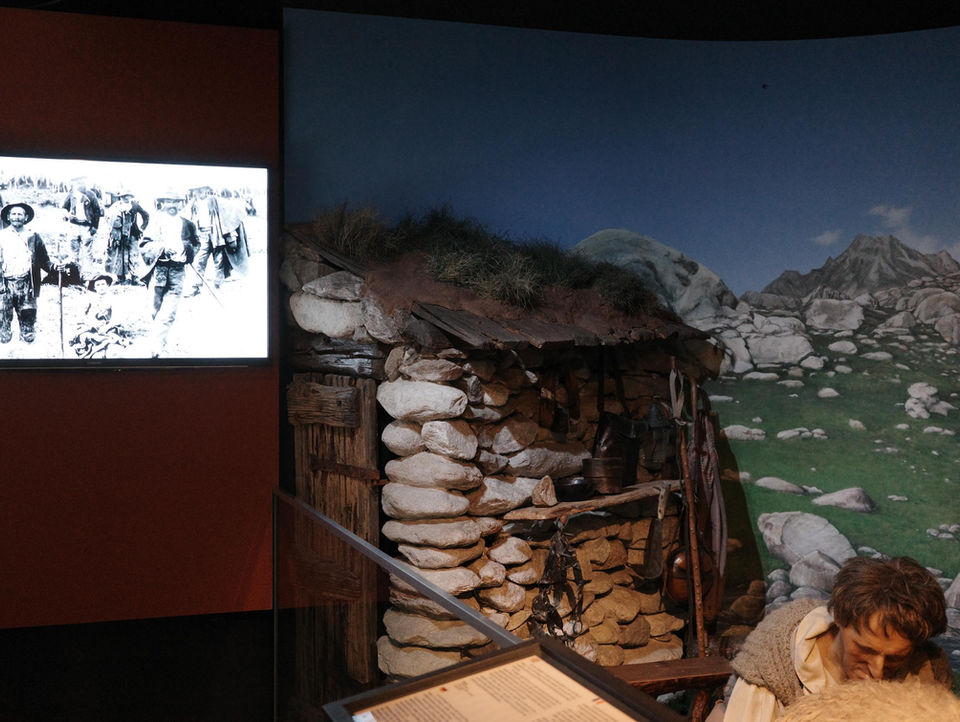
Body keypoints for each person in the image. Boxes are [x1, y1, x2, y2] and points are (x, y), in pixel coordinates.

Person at [710, 556, 952, 722]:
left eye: (895, 658)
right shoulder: (776, 661)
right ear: (839, 619)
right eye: (865, 650)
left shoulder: (927, 673)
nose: (877, 672)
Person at [138, 191, 199, 357]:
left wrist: (187, 251)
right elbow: (144, 245)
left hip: (178, 271)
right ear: (162, 203)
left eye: (177, 202)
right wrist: (163, 249)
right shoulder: (155, 223)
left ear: (181, 204)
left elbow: (196, 243)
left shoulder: (187, 224)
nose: (173, 205)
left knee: (169, 311)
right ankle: (159, 337)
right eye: (169, 201)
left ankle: (157, 345)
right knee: (155, 309)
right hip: (159, 270)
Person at [0, 202, 60, 344]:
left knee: (28, 322)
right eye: (14, 214)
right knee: (3, 324)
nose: (16, 217)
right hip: (4, 285)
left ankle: (26, 348)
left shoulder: (33, 236)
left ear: (26, 217)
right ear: (8, 217)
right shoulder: (1, 236)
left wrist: (55, 267)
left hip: (27, 284)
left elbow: (44, 261)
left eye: (20, 214)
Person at [70, 271, 131, 358]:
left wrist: (107, 327)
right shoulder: (90, 299)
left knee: (113, 350)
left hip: (107, 329)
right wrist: (90, 324)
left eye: (103, 284)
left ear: (107, 285)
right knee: (86, 341)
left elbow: (117, 318)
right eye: (98, 285)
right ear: (94, 288)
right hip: (90, 328)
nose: (101, 287)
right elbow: (81, 314)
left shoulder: (113, 299)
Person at [183, 185, 227, 296]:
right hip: (201, 235)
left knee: (219, 260)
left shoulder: (214, 200)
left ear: (206, 190)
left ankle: (218, 285)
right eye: (197, 190)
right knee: (199, 261)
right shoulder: (193, 203)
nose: (200, 192)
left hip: (215, 234)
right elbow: (186, 217)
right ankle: (196, 287)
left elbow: (226, 212)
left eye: (202, 190)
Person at [61, 176, 105, 278]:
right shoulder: (71, 194)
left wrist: (95, 227)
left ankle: (88, 274)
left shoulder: (91, 194)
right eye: (78, 182)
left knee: (87, 252)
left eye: (82, 182)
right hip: (73, 226)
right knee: (73, 251)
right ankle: (74, 274)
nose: (81, 184)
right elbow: (64, 208)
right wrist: (67, 215)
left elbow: (97, 211)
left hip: (86, 227)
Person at [105, 187, 149, 285]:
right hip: (119, 235)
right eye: (123, 196)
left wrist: (142, 228)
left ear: (131, 196)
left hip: (133, 234)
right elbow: (108, 219)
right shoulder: (115, 207)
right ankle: (120, 278)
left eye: (128, 196)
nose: (126, 198)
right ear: (120, 197)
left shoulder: (135, 205)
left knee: (133, 255)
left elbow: (146, 215)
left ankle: (135, 278)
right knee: (119, 255)